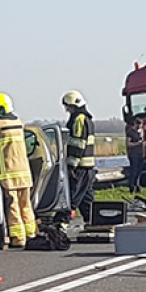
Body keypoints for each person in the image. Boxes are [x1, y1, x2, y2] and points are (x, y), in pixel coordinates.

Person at [0, 93, 36, 248]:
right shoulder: (19, 122)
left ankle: (18, 238)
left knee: (12, 206)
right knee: (26, 205)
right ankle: (31, 234)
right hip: (24, 172)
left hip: (7, 173)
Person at [58, 90, 96, 226]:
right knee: (86, 199)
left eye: (68, 106)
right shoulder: (87, 119)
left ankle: (62, 223)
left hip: (80, 167)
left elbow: (77, 144)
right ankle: (93, 222)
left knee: (72, 197)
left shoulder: (79, 119)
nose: (67, 110)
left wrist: (71, 166)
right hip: (88, 168)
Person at [125, 117, 145, 193]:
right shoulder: (130, 132)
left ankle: (137, 185)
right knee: (133, 170)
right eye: (138, 125)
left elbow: (142, 143)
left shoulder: (142, 132)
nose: (139, 127)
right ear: (135, 124)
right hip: (133, 154)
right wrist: (138, 143)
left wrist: (143, 152)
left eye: (141, 125)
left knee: (139, 171)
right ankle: (131, 186)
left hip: (140, 153)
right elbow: (128, 144)